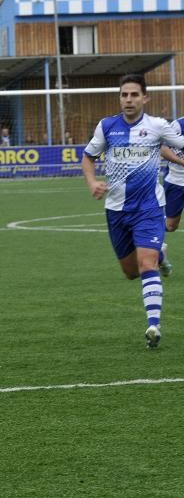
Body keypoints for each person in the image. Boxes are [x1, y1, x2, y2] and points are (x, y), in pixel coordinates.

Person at [81, 74, 184, 349]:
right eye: (124, 95)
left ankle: (154, 325)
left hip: (150, 208)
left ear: (145, 98)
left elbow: (178, 145)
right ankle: (161, 253)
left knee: (146, 264)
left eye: (134, 95)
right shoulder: (107, 127)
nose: (129, 99)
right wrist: (92, 182)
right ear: (120, 98)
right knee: (129, 271)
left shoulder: (157, 126)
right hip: (116, 210)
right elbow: (88, 157)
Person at [162, 115, 184, 247]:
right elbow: (163, 149)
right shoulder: (178, 125)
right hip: (176, 181)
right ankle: (147, 230)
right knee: (171, 225)